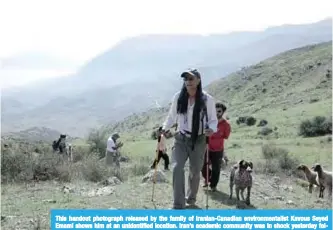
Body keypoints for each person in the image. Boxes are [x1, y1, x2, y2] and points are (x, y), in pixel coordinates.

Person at [161, 68, 218, 209]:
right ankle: (178, 204)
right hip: (181, 138)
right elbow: (171, 116)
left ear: (198, 80)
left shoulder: (207, 99)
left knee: (195, 171)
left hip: (199, 139)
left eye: (191, 79)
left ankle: (191, 199)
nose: (188, 82)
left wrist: (211, 129)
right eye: (185, 79)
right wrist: (163, 130)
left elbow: (213, 120)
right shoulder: (178, 97)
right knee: (177, 168)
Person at [201, 102, 231, 192]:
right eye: (215, 111)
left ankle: (213, 185)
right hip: (207, 148)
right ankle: (208, 179)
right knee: (203, 167)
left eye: (219, 111)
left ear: (222, 112)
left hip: (218, 150)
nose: (217, 113)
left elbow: (226, 136)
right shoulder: (208, 121)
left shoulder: (226, 125)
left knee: (216, 168)